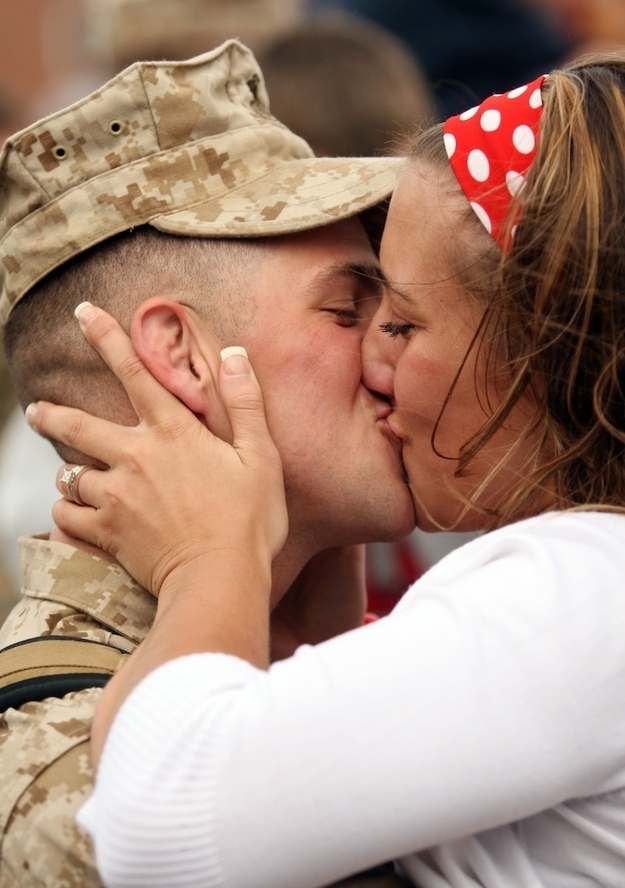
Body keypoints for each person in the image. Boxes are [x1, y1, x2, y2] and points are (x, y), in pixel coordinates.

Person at [32, 51, 625, 887]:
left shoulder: (582, 591)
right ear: (183, 357)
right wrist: (323, 650)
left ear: (540, 342)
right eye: (351, 309)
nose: (376, 357)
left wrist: (210, 560)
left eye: (402, 320)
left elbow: (160, 822)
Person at [0, 40, 415, 888]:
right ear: (182, 358)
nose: (396, 350)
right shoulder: (69, 787)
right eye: (347, 310)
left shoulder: (310, 656)